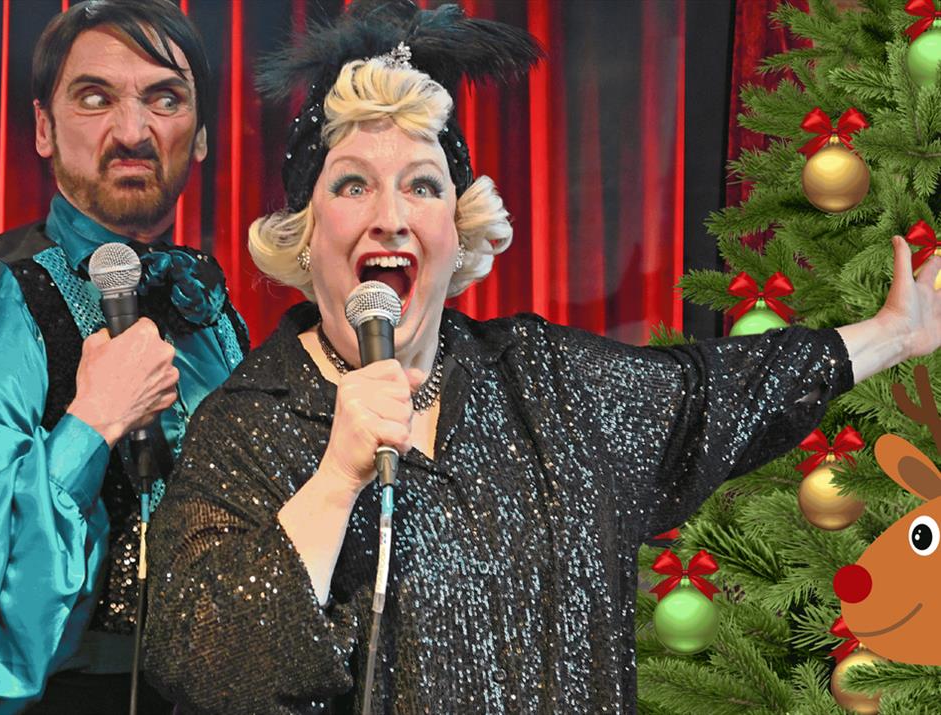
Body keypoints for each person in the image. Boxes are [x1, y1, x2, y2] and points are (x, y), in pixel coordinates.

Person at [141, 1, 941, 713]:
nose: (390, 217)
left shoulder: (550, 384)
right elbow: (203, 665)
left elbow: (716, 389)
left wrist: (895, 333)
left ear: (457, 236)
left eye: (422, 185)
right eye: (351, 185)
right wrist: (335, 478)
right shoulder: (244, 426)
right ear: (305, 235)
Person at [0, 1, 247, 713]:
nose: (133, 131)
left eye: (165, 98)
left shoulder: (209, 307)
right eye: (95, 98)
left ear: (203, 134)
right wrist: (91, 423)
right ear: (42, 127)